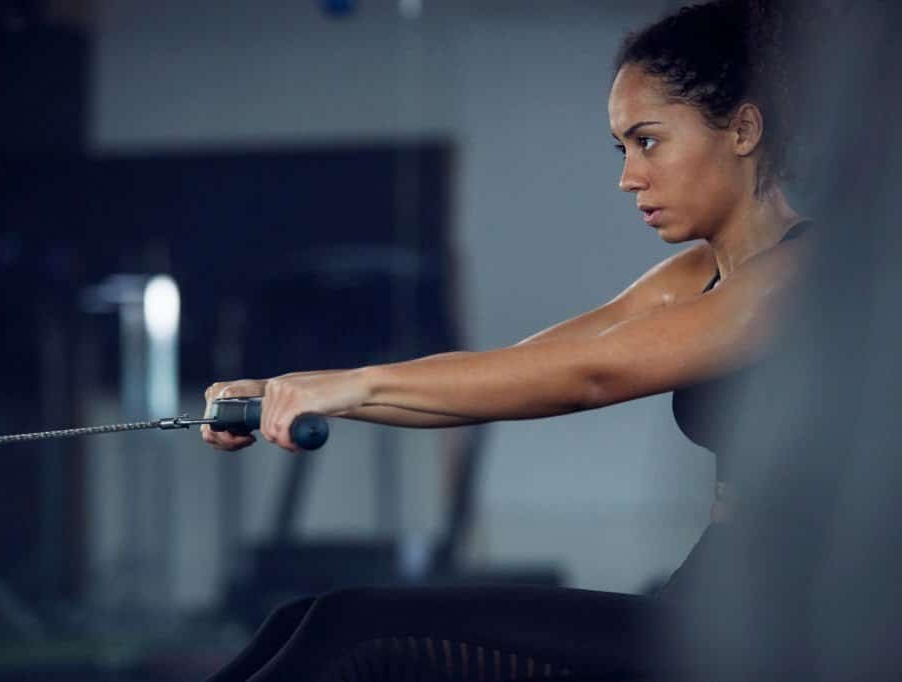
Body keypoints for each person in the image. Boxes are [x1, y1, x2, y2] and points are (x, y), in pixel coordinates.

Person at [199, 1, 817, 679]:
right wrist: (281, 393)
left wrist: (346, 387)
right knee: (305, 620)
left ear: (743, 129)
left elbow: (590, 376)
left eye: (648, 141)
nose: (628, 176)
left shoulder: (810, 273)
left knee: (356, 632)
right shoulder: (696, 276)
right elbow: (519, 370)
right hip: (706, 607)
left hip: (782, 634)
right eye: (623, 149)